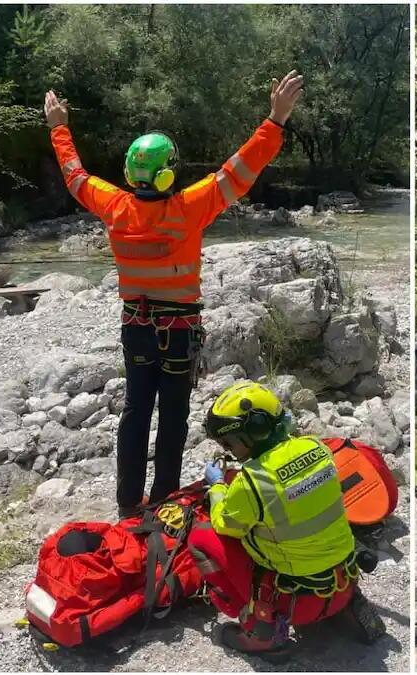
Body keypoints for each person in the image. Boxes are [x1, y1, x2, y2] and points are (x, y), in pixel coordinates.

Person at [43, 71, 304, 518]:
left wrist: (58, 128)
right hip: (179, 332)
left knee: (135, 412)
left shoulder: (113, 205)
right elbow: (241, 168)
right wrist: (275, 119)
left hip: (136, 328)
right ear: (167, 174)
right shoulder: (189, 207)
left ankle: (128, 504)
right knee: (174, 416)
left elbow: (75, 176)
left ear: (130, 173)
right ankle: (164, 500)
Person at [187, 381, 384, 660]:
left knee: (202, 536)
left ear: (254, 431)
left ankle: (263, 633)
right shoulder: (317, 448)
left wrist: (218, 486)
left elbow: (225, 524)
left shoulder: (252, 481)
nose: (228, 450)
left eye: (229, 442)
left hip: (297, 603)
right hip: (341, 583)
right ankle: (347, 604)